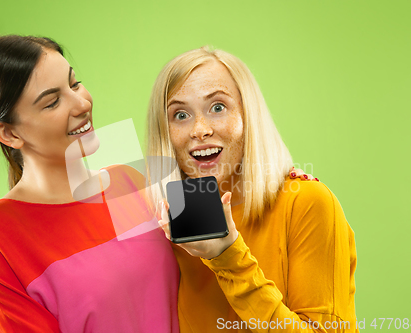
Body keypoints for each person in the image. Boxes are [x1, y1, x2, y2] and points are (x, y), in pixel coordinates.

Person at [0, 35, 179, 332]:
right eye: (52, 103)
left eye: (75, 84)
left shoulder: (127, 180)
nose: (81, 103)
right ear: (9, 134)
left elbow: (199, 280)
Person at [146, 46, 358, 332]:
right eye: (180, 115)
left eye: (218, 107)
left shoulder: (307, 202)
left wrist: (227, 255)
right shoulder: (164, 217)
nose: (200, 129)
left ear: (249, 117)